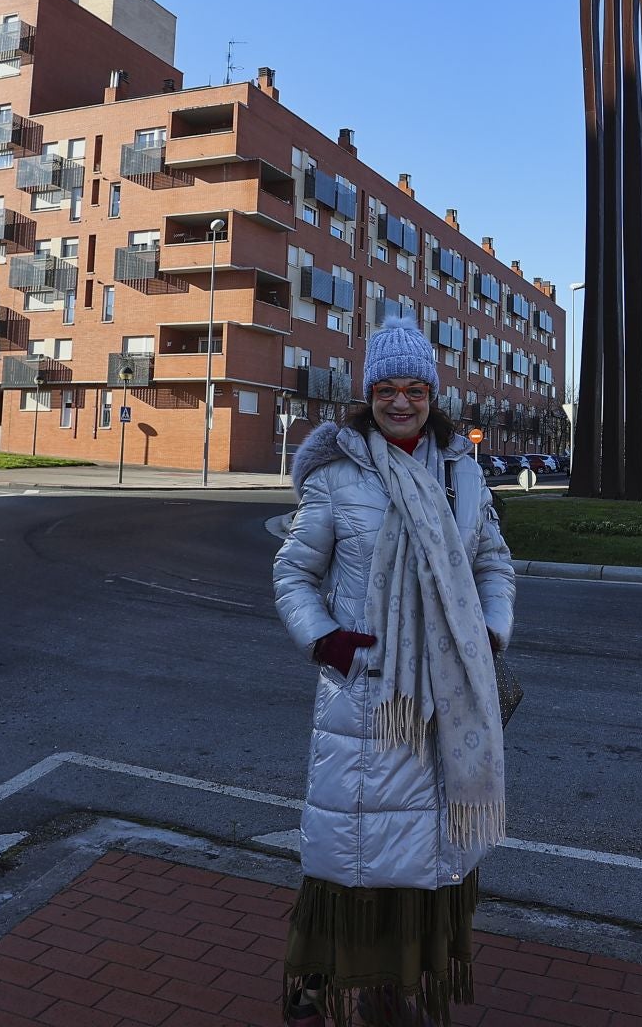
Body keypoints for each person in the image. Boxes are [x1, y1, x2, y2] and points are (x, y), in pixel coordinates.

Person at [273, 311, 516, 1027]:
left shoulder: (462, 476)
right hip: (369, 702)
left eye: (415, 388)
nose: (402, 402)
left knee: (425, 855)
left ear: (433, 393)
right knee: (356, 853)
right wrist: (331, 644)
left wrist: (490, 632)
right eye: (387, 389)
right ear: (368, 395)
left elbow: (492, 562)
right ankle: (330, 980)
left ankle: (405, 986)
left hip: (449, 701)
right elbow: (294, 576)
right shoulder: (338, 476)